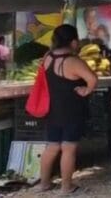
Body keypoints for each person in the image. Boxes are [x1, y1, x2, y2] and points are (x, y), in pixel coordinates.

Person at [37, 25, 98, 195]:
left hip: (52, 110)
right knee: (68, 148)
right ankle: (66, 187)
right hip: (72, 110)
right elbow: (92, 79)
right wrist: (86, 90)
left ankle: (44, 184)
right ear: (73, 41)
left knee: (52, 147)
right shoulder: (73, 61)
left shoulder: (47, 57)